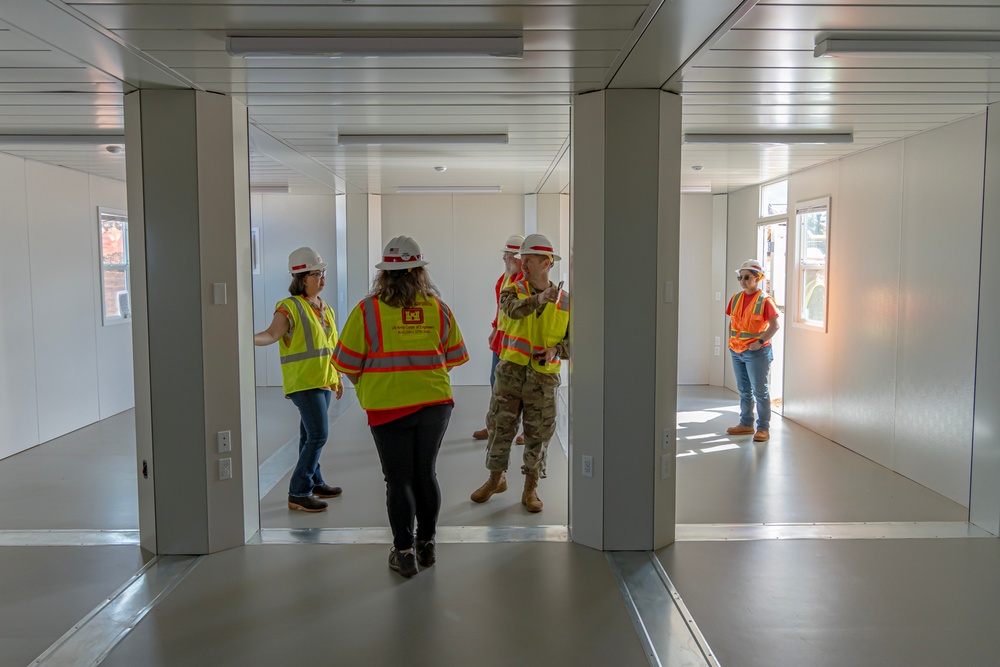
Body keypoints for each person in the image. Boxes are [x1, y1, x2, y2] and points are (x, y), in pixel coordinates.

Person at [332, 236, 468, 578]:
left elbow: (346, 362)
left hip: (386, 406)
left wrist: (367, 385)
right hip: (435, 404)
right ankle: (427, 544)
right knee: (426, 473)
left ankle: (404, 552)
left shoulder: (368, 310)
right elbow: (453, 358)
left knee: (398, 479)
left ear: (386, 274)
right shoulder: (438, 308)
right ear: (419, 272)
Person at [470, 233, 569, 513]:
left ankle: (530, 488)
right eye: (521, 260)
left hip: (543, 379)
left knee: (538, 435)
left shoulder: (566, 301)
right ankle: (495, 479)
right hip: (510, 375)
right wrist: (539, 299)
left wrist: (556, 350)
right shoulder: (512, 291)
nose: (522, 265)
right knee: (501, 429)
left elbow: (576, 341)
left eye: (529, 260)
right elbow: (511, 313)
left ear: (546, 263)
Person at [254, 247, 344, 513]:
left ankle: (315, 481)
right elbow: (271, 334)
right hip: (304, 382)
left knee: (309, 436)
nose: (323, 278)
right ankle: (298, 491)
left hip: (323, 380)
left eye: (323, 273)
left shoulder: (324, 308)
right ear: (302, 277)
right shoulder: (289, 307)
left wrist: (336, 376)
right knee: (318, 435)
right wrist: (245, 340)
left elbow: (331, 346)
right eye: (318, 274)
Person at [473, 233, 525, 446]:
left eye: (509, 254)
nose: (504, 258)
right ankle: (493, 424)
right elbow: (500, 309)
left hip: (517, 342)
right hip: (502, 339)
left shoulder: (524, 282)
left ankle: (526, 431)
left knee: (520, 388)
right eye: (505, 254)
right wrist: (495, 328)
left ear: (519, 257)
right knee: (496, 383)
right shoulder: (505, 279)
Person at [726, 259, 780, 442]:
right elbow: (732, 323)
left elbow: (775, 326)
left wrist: (760, 342)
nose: (742, 280)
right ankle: (746, 424)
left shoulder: (765, 301)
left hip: (757, 352)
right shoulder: (735, 298)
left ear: (758, 278)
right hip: (737, 351)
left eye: (746, 277)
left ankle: (763, 428)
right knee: (744, 390)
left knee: (760, 391)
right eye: (740, 277)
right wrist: (730, 342)